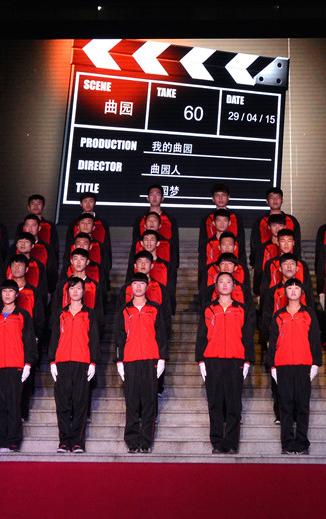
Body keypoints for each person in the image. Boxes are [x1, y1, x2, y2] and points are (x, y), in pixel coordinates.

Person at [196, 272, 255, 454]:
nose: (224, 284)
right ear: (216, 286)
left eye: (228, 281)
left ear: (234, 286)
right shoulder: (208, 309)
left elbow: (247, 337)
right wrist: (201, 360)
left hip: (235, 360)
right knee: (214, 403)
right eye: (221, 281)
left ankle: (231, 442)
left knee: (233, 403)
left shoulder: (241, 309)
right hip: (213, 360)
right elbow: (201, 336)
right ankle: (216, 441)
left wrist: (247, 361)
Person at [0, 280, 37, 452]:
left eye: (10, 291)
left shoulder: (23, 315)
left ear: (16, 294)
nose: (7, 294)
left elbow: (29, 341)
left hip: (15, 365)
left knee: (13, 404)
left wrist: (28, 363)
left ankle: (13, 440)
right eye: (4, 291)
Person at [114, 273, 167, 453]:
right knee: (132, 401)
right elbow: (119, 337)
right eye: (135, 283)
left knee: (149, 401)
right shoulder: (124, 310)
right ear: (130, 287)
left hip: (150, 359)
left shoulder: (155, 309)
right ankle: (131, 440)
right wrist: (119, 360)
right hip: (130, 359)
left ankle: (146, 441)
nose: (138, 287)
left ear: (147, 286)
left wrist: (162, 358)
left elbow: (161, 335)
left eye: (141, 284)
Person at [268, 278, 321, 454]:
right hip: (283, 365)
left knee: (302, 405)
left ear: (301, 292)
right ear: (285, 292)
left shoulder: (309, 314)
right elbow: (273, 341)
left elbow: (315, 339)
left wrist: (315, 363)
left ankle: (302, 443)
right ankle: (287, 443)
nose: (293, 290)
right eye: (289, 287)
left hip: (303, 364)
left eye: (296, 287)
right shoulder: (279, 315)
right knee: (285, 405)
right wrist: (272, 365)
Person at [49, 277, 100, 453]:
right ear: (67, 291)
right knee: (63, 404)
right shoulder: (60, 313)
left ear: (83, 291)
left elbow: (94, 339)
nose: (75, 291)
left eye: (78, 288)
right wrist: (52, 361)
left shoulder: (90, 314)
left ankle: (78, 441)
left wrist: (93, 362)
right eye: (72, 288)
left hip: (82, 362)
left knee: (80, 403)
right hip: (62, 362)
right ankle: (64, 441)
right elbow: (54, 338)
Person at [132, 184, 180, 272]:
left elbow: (175, 242)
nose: (154, 197)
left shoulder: (170, 219)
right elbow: (136, 241)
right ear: (148, 198)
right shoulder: (140, 219)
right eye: (151, 194)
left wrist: (175, 263)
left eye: (157, 194)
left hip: (164, 262)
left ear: (162, 198)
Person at [250, 187, 302, 267]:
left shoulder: (292, 220)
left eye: (278, 197)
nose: (275, 200)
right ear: (267, 201)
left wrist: (297, 261)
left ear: (282, 200)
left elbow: (297, 244)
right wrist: (254, 262)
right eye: (272, 197)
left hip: (288, 262)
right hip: (265, 261)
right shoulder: (259, 221)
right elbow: (254, 243)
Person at [198, 183, 246, 260]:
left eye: (223, 195)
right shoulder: (206, 218)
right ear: (213, 198)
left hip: (233, 257)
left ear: (228, 197)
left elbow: (241, 242)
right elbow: (202, 242)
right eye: (217, 195)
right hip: (212, 255)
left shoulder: (236, 217)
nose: (220, 198)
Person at [18, 194, 59, 260]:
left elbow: (55, 246)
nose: (35, 206)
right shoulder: (21, 226)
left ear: (43, 207)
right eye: (33, 204)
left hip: (44, 257)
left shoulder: (50, 225)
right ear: (28, 207)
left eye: (39, 204)